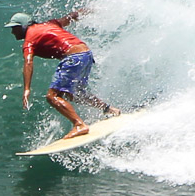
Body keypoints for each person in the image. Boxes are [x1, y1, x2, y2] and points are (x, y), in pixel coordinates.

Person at [12, 8, 119, 140]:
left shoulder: (29, 40)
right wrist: (87, 10)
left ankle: (79, 125)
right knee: (75, 94)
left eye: (14, 28)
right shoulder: (50, 24)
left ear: (23, 26)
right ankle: (108, 109)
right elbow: (70, 17)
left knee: (52, 97)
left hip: (73, 57)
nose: (12, 32)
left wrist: (27, 89)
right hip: (86, 54)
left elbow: (28, 62)